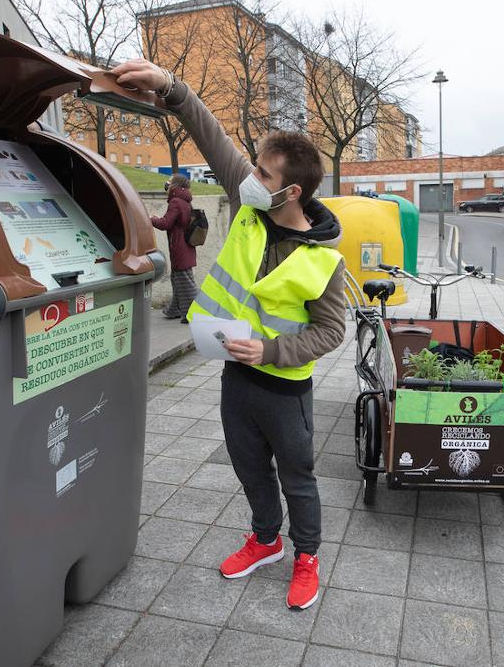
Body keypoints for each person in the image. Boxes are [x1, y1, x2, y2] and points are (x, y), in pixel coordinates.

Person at [112, 59, 346, 611]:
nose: (249, 178)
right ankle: (266, 541)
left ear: (290, 191)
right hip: (236, 380)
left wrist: (271, 350)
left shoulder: (324, 260)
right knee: (249, 468)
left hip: (285, 389)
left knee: (298, 477)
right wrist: (170, 87)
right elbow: (210, 135)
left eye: (263, 174)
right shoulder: (248, 208)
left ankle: (306, 556)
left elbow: (331, 330)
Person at [150, 173, 196, 322]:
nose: (167, 184)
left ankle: (194, 313)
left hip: (179, 247)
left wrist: (151, 219)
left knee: (185, 281)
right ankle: (174, 310)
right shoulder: (185, 201)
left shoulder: (176, 202)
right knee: (178, 279)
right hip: (186, 246)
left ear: (175, 185)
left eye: (169, 181)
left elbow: (165, 223)